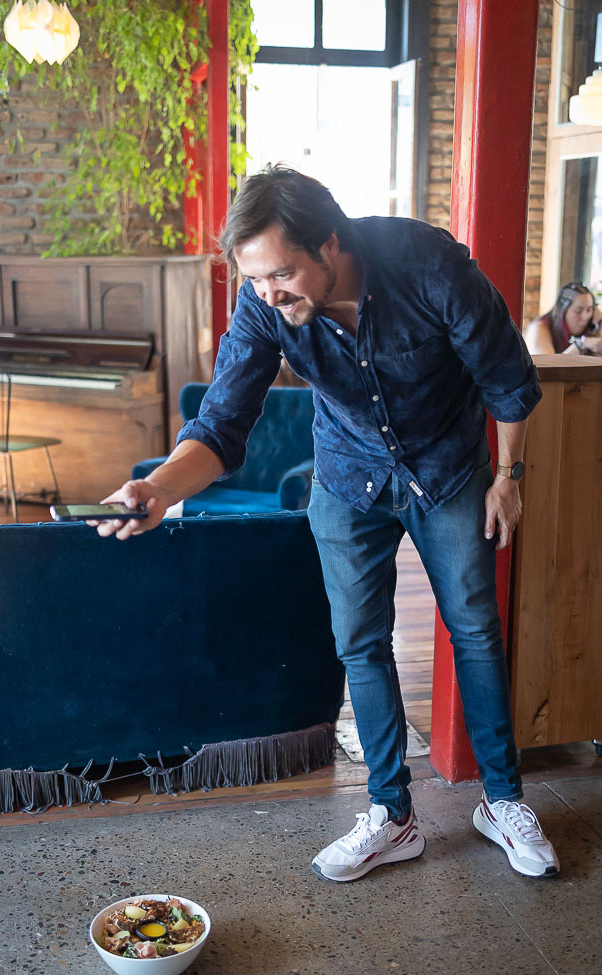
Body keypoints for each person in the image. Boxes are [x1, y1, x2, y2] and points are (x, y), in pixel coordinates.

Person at [94, 165, 560, 882]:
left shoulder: (429, 265)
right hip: (348, 475)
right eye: (254, 279)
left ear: (331, 244)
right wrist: (158, 487)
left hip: (448, 467)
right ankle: (391, 815)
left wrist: (509, 477)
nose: (268, 294)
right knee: (359, 642)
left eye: (282, 274)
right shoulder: (264, 304)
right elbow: (221, 423)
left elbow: (506, 377)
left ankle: (502, 801)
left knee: (473, 628)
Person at [523, 281, 602, 355]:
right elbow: (547, 364)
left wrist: (600, 324)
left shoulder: (591, 329)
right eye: (578, 311)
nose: (585, 317)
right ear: (562, 311)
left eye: (589, 310)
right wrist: (580, 344)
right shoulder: (538, 328)